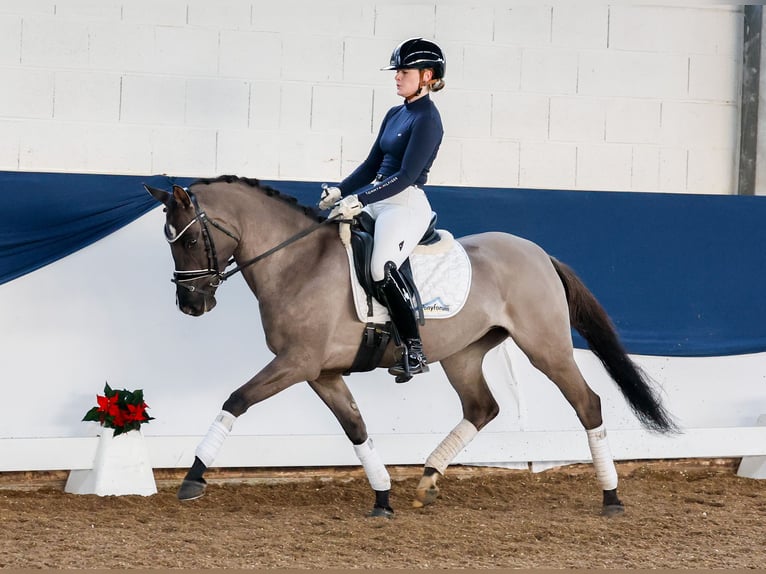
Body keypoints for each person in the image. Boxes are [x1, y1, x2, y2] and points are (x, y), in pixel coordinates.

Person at [319, 37, 446, 382]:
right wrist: (339, 191)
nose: (396, 77)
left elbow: (405, 176)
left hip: (404, 203)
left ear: (426, 75)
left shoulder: (429, 120)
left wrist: (361, 199)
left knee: (380, 266)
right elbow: (371, 163)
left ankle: (414, 349)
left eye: (403, 71)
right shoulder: (396, 113)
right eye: (397, 72)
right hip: (376, 197)